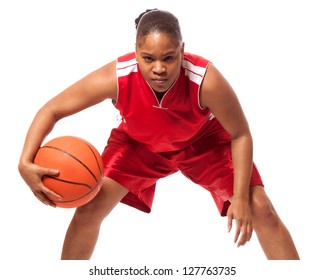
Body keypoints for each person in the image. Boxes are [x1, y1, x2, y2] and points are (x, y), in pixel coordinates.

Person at [18, 9, 299, 260]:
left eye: (169, 57)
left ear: (182, 50)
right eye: (148, 58)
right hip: (139, 145)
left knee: (262, 209)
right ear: (135, 51)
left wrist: (239, 197)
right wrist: (25, 162)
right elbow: (51, 109)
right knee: (89, 209)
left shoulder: (205, 79)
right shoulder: (116, 76)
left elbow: (240, 134)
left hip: (204, 143)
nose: (159, 68)